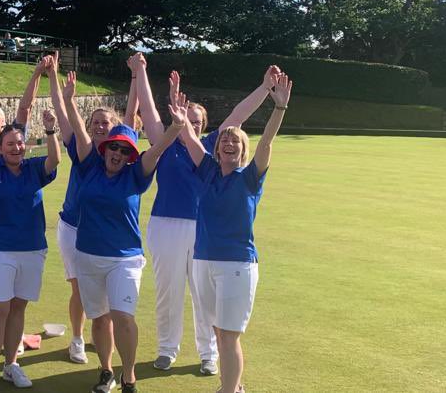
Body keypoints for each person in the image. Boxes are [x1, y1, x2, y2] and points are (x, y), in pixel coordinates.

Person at [133, 56, 281, 376]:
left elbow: (239, 114)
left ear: (205, 124)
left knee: (205, 298)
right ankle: (166, 349)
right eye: (190, 118)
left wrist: (266, 87)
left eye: (198, 120)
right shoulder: (169, 139)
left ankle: (208, 353)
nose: (194, 123)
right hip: (165, 224)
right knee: (167, 291)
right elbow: (146, 109)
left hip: (201, 231)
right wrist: (140, 72)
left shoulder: (215, 145)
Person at [65, 68, 186, 393]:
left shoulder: (137, 174)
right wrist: (68, 101)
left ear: (131, 156)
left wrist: (176, 127)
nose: (117, 154)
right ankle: (106, 371)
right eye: (113, 148)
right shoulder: (89, 165)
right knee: (99, 319)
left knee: (123, 317)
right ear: (105, 149)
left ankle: (128, 375)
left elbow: (157, 150)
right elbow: (79, 129)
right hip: (88, 256)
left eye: (124, 151)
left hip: (125, 259)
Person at [177, 73, 292, 393]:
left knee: (228, 336)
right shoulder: (208, 172)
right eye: (225, 139)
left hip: (237, 265)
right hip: (203, 262)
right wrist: (180, 116)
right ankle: (235, 386)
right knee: (218, 330)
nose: (229, 143)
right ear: (218, 148)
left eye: (235, 141)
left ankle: (228, 390)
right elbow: (189, 139)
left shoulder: (250, 177)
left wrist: (279, 108)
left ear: (242, 149)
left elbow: (267, 142)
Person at [46, 51, 140, 367]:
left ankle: (107, 354)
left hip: (106, 237)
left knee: (108, 301)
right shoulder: (82, 149)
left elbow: (132, 113)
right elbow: (62, 111)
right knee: (79, 290)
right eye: (95, 122)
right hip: (73, 227)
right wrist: (53, 79)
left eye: (106, 123)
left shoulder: (120, 153)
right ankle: (76, 339)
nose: (100, 126)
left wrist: (135, 76)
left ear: (115, 129)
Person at [0, 104, 60, 393]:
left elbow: (55, 160)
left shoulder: (34, 167)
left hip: (32, 248)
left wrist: (49, 130)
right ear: (1, 148)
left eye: (20, 143)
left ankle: (11, 365)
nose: (16, 148)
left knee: (18, 308)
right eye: (10, 144)